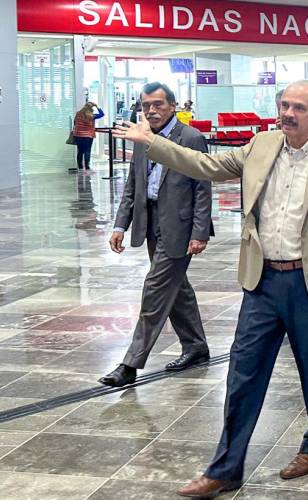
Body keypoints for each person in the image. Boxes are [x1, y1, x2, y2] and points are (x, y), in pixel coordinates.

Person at [114, 80, 308, 498]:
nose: (288, 113)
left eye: (298, 107)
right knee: (242, 374)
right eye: (283, 105)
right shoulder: (260, 145)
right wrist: (152, 142)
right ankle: (226, 467)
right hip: (262, 280)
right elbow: (204, 165)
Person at [99, 82, 213, 387]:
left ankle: (130, 364)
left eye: (158, 104)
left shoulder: (191, 138)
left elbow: (202, 187)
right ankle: (196, 346)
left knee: (155, 291)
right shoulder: (142, 136)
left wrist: (200, 231)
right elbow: (133, 185)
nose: (151, 110)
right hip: (150, 224)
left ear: (173, 106)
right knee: (177, 290)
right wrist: (120, 224)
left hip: (180, 227)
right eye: (146, 105)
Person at [72, 102, 104, 170]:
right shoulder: (91, 116)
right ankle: (87, 166)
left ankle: (80, 166)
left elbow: (75, 123)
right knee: (87, 151)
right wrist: (97, 106)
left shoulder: (78, 114)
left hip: (78, 135)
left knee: (80, 151)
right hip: (88, 136)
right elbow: (102, 114)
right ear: (91, 108)